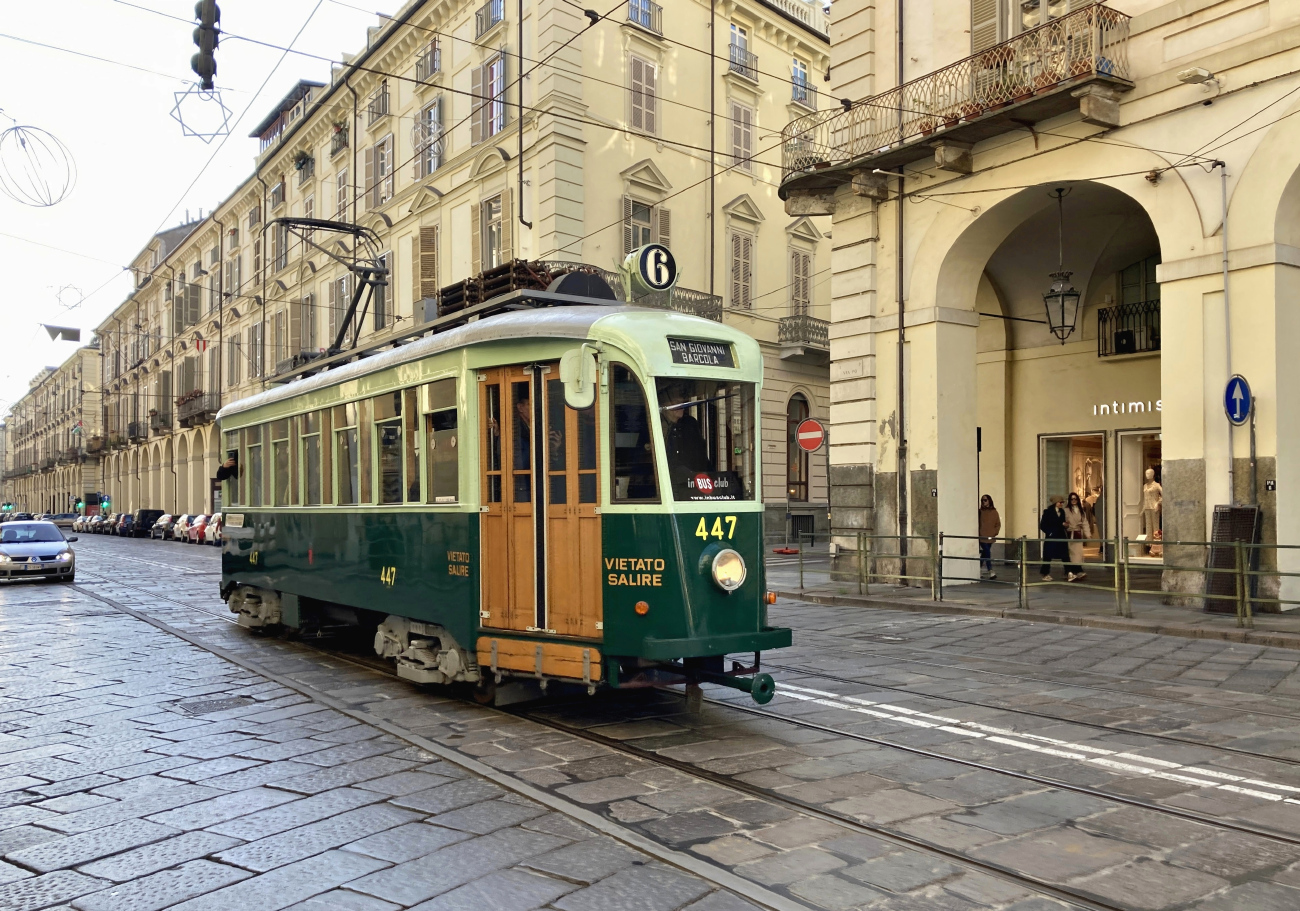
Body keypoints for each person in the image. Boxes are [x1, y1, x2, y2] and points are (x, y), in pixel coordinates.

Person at [659, 385, 710, 491]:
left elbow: (701, 457)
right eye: (676, 402)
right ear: (664, 404)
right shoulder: (654, 424)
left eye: (683, 403)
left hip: (691, 487)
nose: (680, 414)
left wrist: (712, 476)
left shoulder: (690, 424)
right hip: (665, 488)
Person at [1038, 496, 1070, 582]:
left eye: (1062, 502)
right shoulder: (1048, 512)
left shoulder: (1062, 512)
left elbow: (1061, 523)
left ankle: (1068, 571)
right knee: (1048, 556)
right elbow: (1043, 525)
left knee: (1065, 555)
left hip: (1061, 536)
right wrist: (1050, 532)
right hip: (1052, 537)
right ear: (1055, 503)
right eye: (1060, 502)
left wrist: (1065, 526)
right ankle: (1045, 573)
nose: (1061, 504)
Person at [1063, 491, 1088, 582]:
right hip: (1070, 533)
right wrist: (1065, 525)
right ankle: (1074, 570)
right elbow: (1063, 521)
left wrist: (1088, 534)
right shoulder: (1066, 510)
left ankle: (1077, 570)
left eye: (1075, 499)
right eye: (1072, 499)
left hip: (1078, 533)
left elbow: (1085, 523)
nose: (1074, 500)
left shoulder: (1081, 511)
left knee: (1078, 553)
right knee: (1072, 553)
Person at [978, 494, 1001, 579]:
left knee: (985, 553)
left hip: (991, 536)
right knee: (987, 552)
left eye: (985, 500)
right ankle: (990, 570)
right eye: (982, 500)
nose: (984, 502)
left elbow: (998, 524)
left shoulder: (994, 512)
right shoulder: (980, 512)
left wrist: (995, 532)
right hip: (982, 536)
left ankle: (978, 568)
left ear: (989, 501)